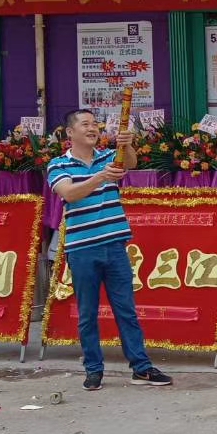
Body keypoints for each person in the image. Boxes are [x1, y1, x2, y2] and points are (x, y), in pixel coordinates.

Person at [46, 110, 172, 391]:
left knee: (126, 310)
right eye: (85, 124)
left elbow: (130, 162)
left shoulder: (108, 156)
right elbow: (69, 193)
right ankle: (93, 370)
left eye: (95, 124)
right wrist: (99, 178)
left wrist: (127, 144)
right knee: (88, 313)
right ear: (70, 132)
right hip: (82, 249)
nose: (92, 128)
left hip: (115, 245)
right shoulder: (58, 164)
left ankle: (141, 367)